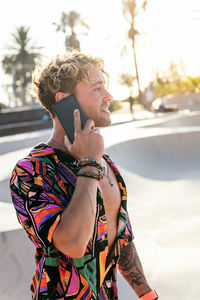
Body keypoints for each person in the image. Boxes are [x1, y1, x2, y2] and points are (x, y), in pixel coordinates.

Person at [10, 50, 158, 300]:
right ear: (65, 100)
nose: (109, 96)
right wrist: (88, 164)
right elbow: (74, 244)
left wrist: (146, 295)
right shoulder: (32, 171)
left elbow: (119, 240)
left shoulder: (104, 161)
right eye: (97, 88)